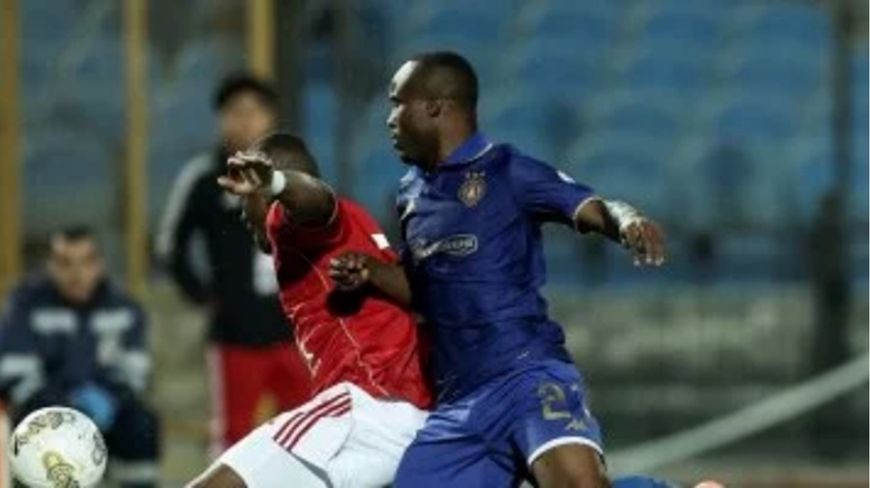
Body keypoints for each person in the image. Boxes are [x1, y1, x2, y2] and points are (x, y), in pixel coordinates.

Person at [330, 51, 667, 487]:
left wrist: (627, 219)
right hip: (459, 405)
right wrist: (373, 273)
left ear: (435, 107)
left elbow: (594, 208)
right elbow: (426, 288)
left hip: (525, 376)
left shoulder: (509, 171)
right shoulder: (411, 194)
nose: (390, 119)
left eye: (397, 104)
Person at [189, 132, 432, 488]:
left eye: (247, 195)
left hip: (366, 408)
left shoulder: (293, 224)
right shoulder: (359, 222)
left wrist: (275, 183)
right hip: (401, 423)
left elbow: (317, 204)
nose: (242, 211)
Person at [156, 73, 312, 454]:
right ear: (221, 119)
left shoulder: (294, 175)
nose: (246, 121)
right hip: (236, 334)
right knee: (233, 436)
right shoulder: (204, 178)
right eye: (236, 112)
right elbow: (170, 246)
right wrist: (204, 295)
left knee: (309, 430)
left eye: (255, 112)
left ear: (270, 117)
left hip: (295, 330)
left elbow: (321, 234)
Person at [0, 227, 160, 488]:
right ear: (50, 266)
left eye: (86, 261)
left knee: (142, 425)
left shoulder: (124, 308)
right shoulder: (25, 306)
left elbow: (136, 372)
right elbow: (15, 374)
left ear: (99, 265)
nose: (76, 273)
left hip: (110, 411)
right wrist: (67, 408)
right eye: (65, 263)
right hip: (46, 416)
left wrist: (110, 400)